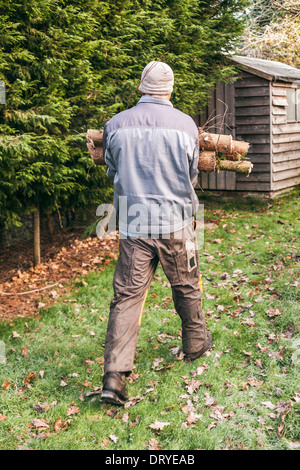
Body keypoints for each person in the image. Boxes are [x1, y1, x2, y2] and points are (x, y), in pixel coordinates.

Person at [100, 61, 212, 406]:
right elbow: (191, 173)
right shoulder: (186, 125)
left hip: (134, 224)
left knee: (127, 296)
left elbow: (111, 168)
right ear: (170, 89)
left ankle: (114, 378)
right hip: (175, 222)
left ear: (141, 88)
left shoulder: (115, 124)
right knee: (186, 284)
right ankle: (195, 345)